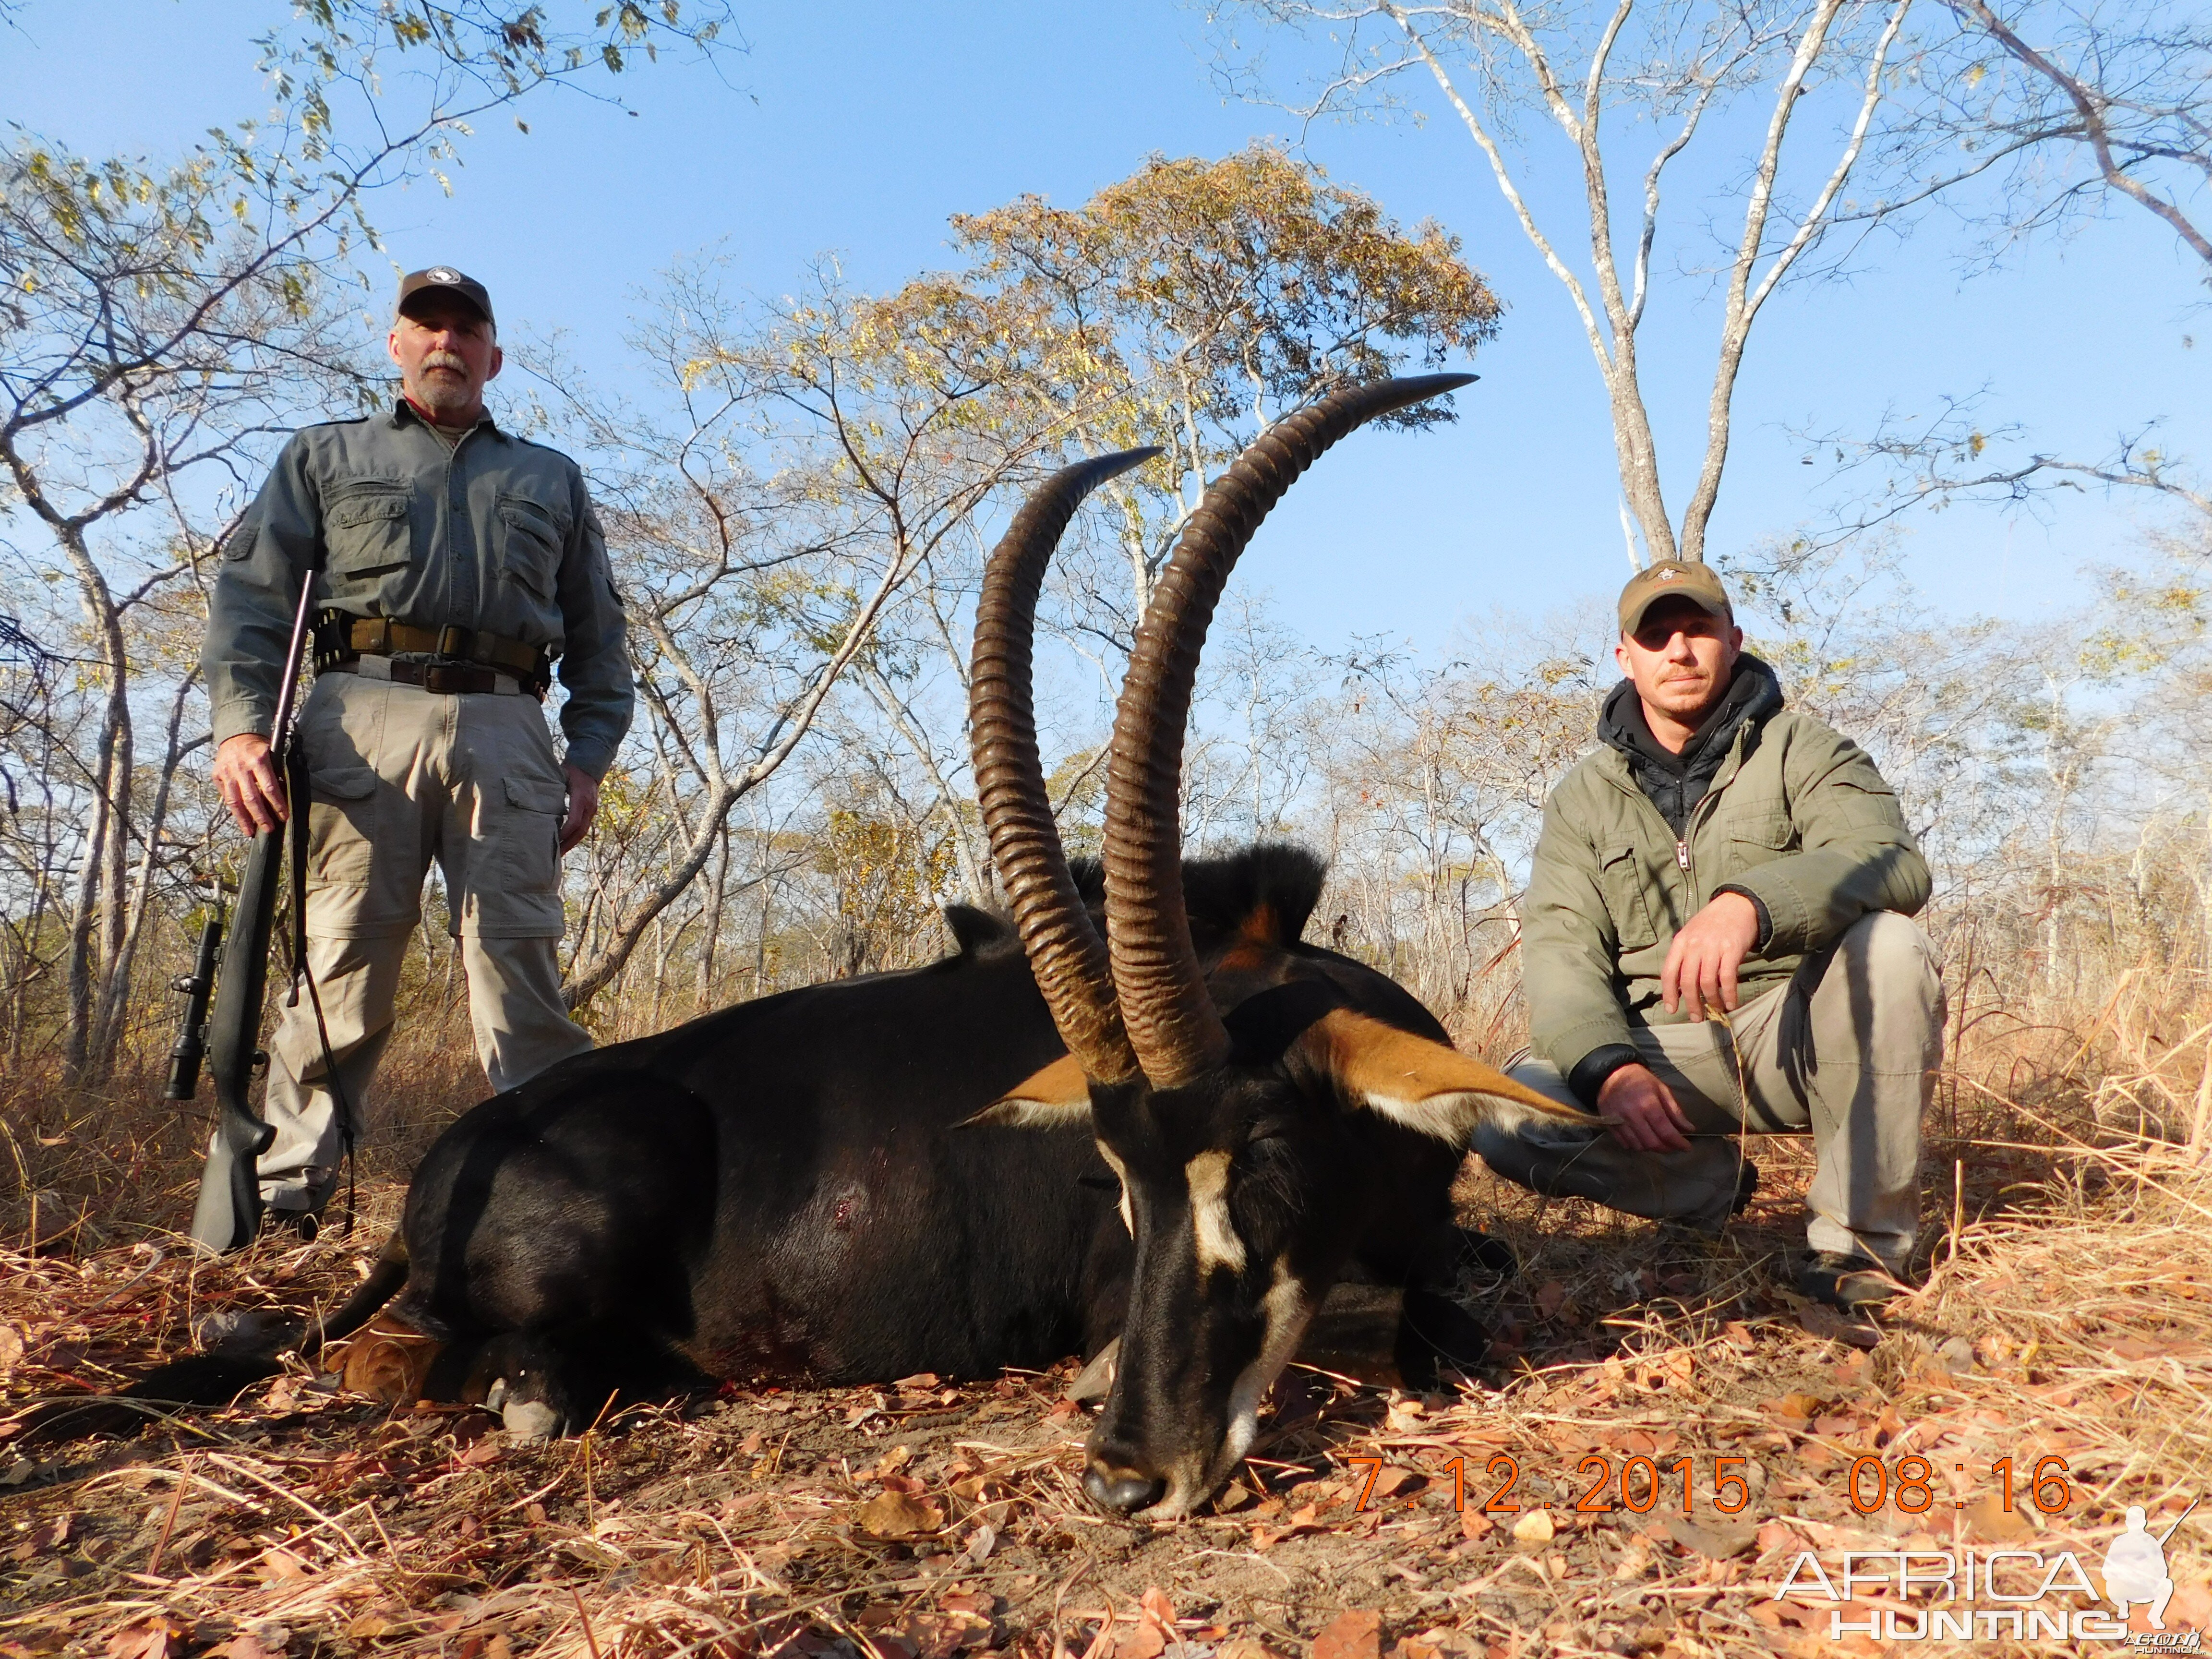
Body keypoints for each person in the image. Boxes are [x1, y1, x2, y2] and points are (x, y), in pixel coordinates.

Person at [202, 266, 633, 1234]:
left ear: (493, 355)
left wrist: (587, 757)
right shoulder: (323, 456)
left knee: (519, 970)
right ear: (395, 344)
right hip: (359, 717)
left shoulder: (548, 477)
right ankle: (283, 1209)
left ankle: (562, 1205)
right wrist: (239, 727)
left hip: (506, 725)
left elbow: (599, 638)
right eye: (425, 326)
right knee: (341, 970)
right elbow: (254, 601)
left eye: (464, 330)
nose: (445, 343)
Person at [1474, 560, 1942, 1309]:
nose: (1679, 651)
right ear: (1626, 657)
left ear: (1734, 640)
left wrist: (1751, 904)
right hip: (1664, 1058)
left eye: (1697, 630)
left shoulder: (1806, 749)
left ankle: (1858, 1252)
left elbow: (1891, 864)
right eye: (1656, 636)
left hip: (1796, 1031)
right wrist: (1610, 1069)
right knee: (1503, 1105)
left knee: (1889, 945)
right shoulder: (1582, 798)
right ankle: (1708, 1187)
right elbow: (1562, 951)